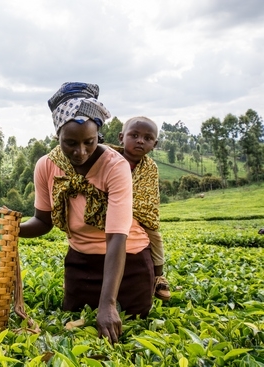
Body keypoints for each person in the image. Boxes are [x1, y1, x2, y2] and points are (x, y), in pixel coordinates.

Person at [19, 82, 154, 344]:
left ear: (99, 137)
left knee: (128, 335)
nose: (80, 152)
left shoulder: (116, 167)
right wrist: (8, 228)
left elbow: (117, 236)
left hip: (128, 264)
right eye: (70, 143)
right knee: (75, 333)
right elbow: (42, 221)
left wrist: (108, 305)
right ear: (57, 135)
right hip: (81, 264)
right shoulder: (46, 166)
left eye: (89, 142)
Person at [116, 116, 171, 302]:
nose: (140, 140)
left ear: (154, 144)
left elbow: (149, 197)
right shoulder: (109, 159)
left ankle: (159, 276)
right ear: (121, 137)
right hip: (112, 210)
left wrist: (136, 211)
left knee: (155, 237)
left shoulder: (150, 168)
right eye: (134, 135)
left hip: (141, 214)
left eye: (147, 138)